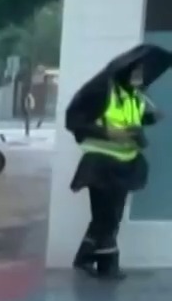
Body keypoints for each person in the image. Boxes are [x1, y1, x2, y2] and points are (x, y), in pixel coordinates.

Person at [66, 53, 158, 279]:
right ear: (126, 73)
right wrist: (108, 132)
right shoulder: (103, 94)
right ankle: (107, 265)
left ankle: (85, 257)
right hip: (101, 162)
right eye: (136, 72)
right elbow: (75, 122)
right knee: (107, 216)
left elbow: (137, 122)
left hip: (126, 162)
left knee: (108, 217)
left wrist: (148, 115)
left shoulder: (135, 97)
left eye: (142, 73)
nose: (140, 77)